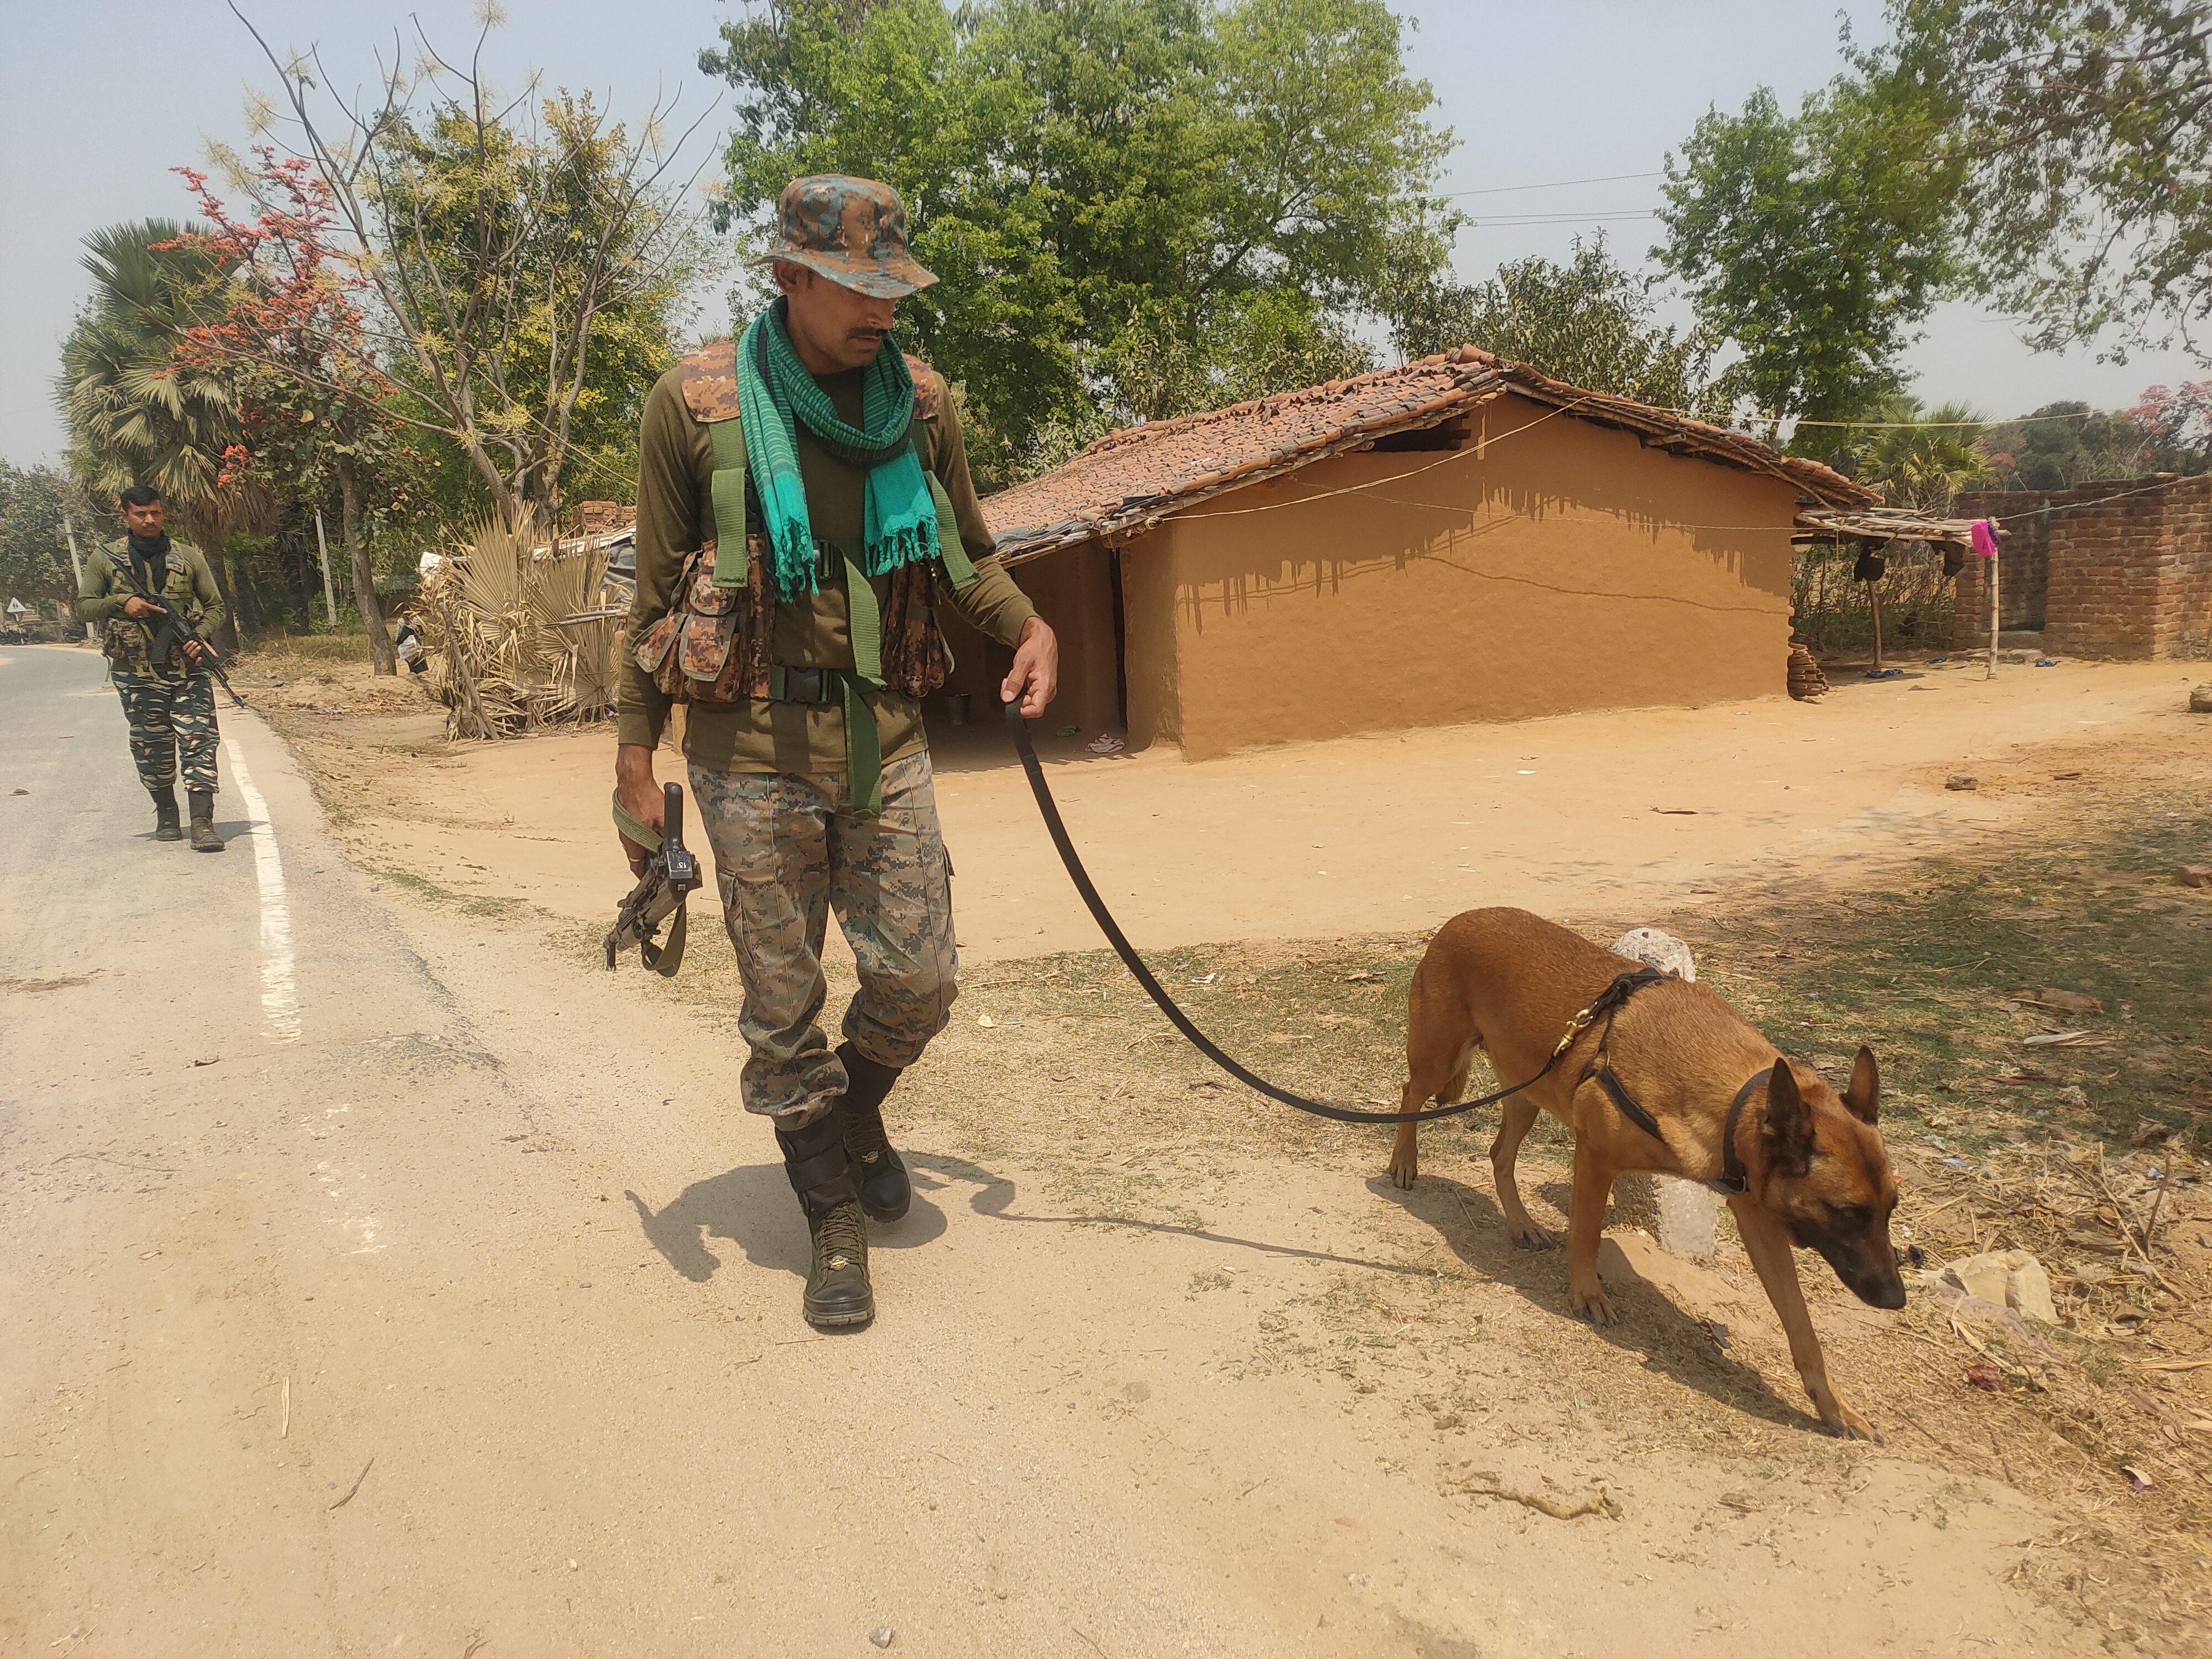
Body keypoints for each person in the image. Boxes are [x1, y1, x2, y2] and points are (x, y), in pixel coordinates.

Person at [615, 176, 1058, 1330]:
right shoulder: (695, 403)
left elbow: (965, 557)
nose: (882, 312)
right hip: (742, 745)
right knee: (782, 999)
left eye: (893, 289)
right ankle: (830, 1218)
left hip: (882, 730)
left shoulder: (916, 404)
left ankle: (856, 1111)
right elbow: (652, 595)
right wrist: (630, 761)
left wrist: (1029, 626)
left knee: (919, 976)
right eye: (859, 288)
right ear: (788, 278)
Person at [75, 485, 227, 852]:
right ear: (125, 515)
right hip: (136, 673)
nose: (150, 520)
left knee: (199, 742)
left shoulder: (188, 557)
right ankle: (165, 814)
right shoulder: (105, 559)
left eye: (156, 513)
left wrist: (199, 635)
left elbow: (216, 607)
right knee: (151, 746)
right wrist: (121, 601)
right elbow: (84, 607)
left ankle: (202, 823)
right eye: (141, 514)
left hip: (188, 670)